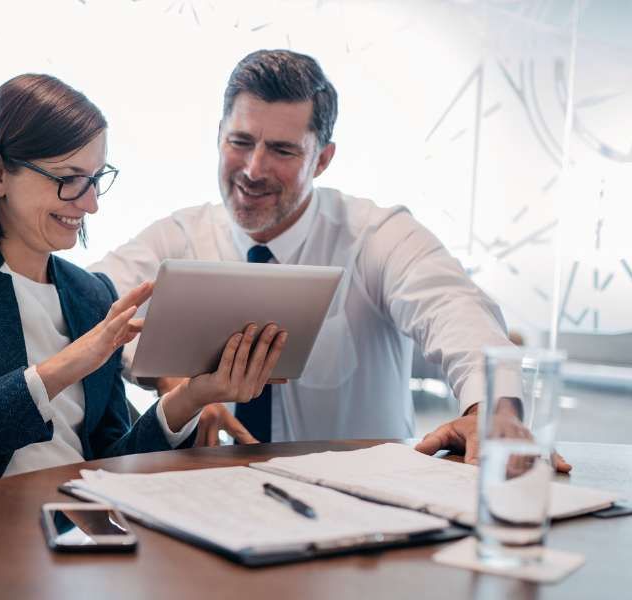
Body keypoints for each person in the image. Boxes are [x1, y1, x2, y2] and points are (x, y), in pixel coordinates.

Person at [89, 50, 571, 471]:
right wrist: (177, 387)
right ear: (219, 136)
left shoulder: (374, 235)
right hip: (208, 506)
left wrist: (493, 412)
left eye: (282, 150)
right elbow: (86, 308)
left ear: (323, 159)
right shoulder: (178, 238)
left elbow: (455, 309)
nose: (254, 169)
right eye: (240, 141)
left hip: (359, 520)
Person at [0, 73, 286, 518]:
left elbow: (111, 464)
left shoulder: (88, 293)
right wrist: (64, 366)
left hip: (77, 527)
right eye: (70, 179)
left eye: (97, 179)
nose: (91, 203)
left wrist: (192, 396)